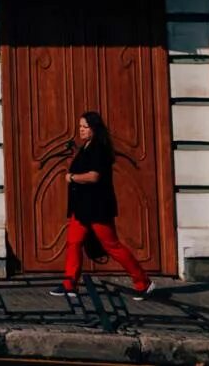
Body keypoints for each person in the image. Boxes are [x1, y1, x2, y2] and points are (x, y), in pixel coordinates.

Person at [49, 110, 152, 300]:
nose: (81, 130)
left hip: (96, 207)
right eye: (79, 127)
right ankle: (69, 284)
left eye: (84, 127)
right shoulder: (86, 146)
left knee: (112, 246)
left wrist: (72, 177)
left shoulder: (99, 148)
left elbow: (94, 176)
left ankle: (143, 282)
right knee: (73, 242)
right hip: (82, 207)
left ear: (94, 129)